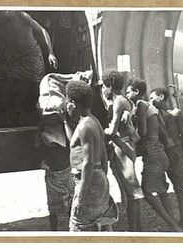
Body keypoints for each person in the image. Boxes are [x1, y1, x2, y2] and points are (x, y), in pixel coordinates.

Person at [35, 70, 93, 231]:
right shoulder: (51, 133)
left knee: (68, 206)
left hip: (65, 173)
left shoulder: (67, 129)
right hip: (55, 175)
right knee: (54, 208)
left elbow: (72, 142)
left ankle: (69, 229)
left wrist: (64, 120)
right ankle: (56, 231)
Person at [126, 79, 182, 232]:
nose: (126, 94)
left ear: (136, 92)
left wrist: (130, 127)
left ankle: (175, 227)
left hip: (152, 151)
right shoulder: (151, 107)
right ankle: (173, 224)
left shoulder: (142, 105)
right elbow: (163, 133)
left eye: (128, 91)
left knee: (147, 192)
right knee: (161, 190)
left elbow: (143, 132)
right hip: (159, 151)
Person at [64, 80, 117, 231]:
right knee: (101, 223)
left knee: (78, 226)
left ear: (73, 103)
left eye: (67, 101)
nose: (66, 106)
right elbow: (103, 156)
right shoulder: (93, 122)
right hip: (97, 178)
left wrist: (81, 196)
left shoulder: (85, 126)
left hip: (88, 180)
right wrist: (102, 180)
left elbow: (87, 162)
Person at [0, 11, 58, 126]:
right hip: (16, 58)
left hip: (32, 54)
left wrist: (51, 53)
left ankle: (40, 120)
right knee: (11, 87)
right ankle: (14, 120)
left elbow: (43, 31)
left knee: (37, 86)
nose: (5, 11)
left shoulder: (22, 16)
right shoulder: (2, 21)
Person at [101, 71, 143, 231]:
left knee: (132, 193)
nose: (103, 90)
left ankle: (135, 232)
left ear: (110, 86)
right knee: (128, 190)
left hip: (123, 147)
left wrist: (99, 129)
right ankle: (135, 229)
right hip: (124, 146)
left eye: (105, 86)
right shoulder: (121, 100)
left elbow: (112, 130)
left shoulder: (119, 101)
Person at [150, 87, 183, 229]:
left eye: (152, 98)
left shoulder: (176, 113)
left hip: (176, 153)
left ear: (161, 97)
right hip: (165, 153)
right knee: (168, 186)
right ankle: (175, 219)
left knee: (179, 187)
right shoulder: (156, 114)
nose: (150, 100)